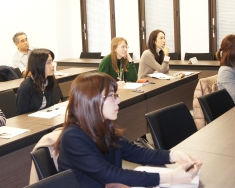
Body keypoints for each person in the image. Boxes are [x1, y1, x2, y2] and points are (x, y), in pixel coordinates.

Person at [54, 72, 201, 188]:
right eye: (112, 96)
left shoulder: (103, 126)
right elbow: (109, 174)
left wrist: (173, 155)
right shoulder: (73, 137)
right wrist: (170, 178)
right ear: (92, 101)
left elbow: (135, 152)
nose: (118, 100)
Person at [15, 48, 56, 115]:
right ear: (38, 65)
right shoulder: (26, 88)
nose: (53, 65)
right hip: (31, 123)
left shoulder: (49, 81)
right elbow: (21, 116)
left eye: (52, 61)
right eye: (49, 62)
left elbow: (50, 106)